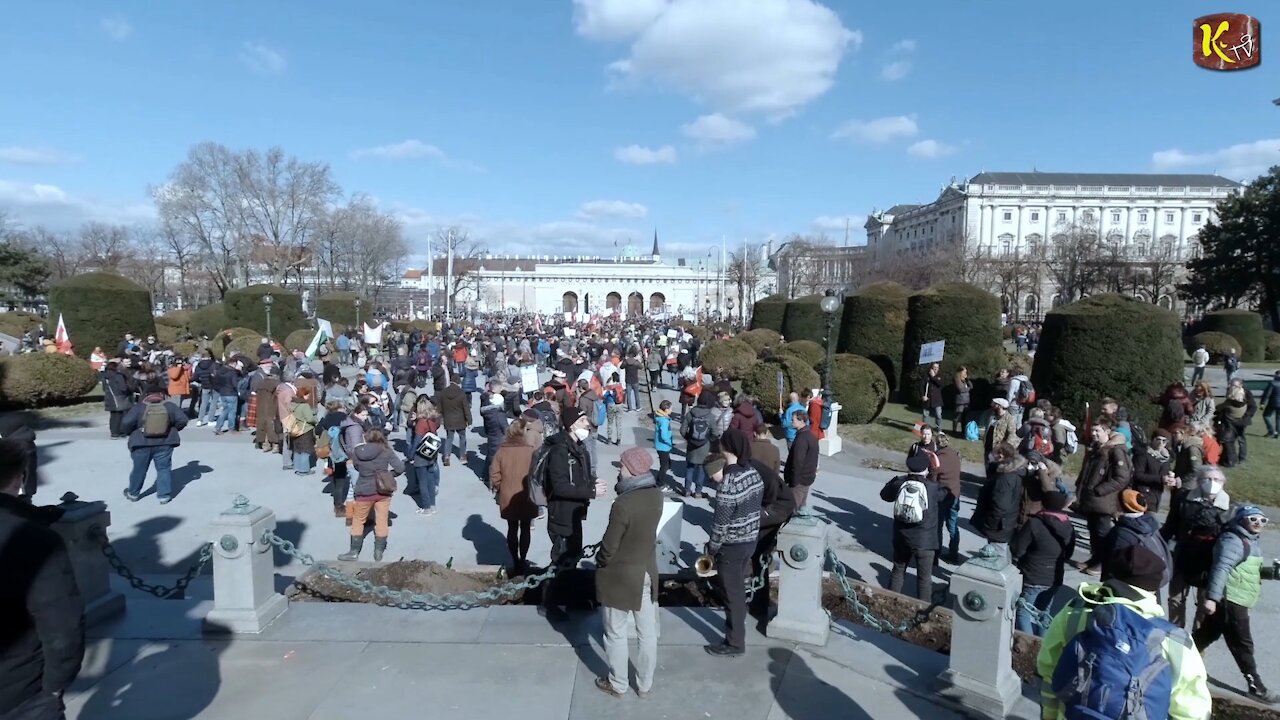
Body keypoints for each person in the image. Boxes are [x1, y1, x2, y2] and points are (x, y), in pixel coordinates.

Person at [1035, 545, 1211, 720]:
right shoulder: (1176, 640)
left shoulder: (1075, 611)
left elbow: (1048, 668)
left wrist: (1050, 715)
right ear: (1154, 587)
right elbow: (1192, 711)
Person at [0, 438, 85, 720]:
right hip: (21, 689)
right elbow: (62, 625)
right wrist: (54, 685)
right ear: (19, 477)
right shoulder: (35, 539)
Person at [594, 446, 663, 699]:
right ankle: (644, 685)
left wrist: (600, 560)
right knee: (647, 633)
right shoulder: (656, 495)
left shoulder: (623, 504)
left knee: (615, 632)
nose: (619, 472)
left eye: (622, 467)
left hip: (621, 578)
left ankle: (618, 683)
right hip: (646, 572)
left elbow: (609, 547)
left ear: (632, 470)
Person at [1195, 504, 1278, 703]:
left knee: (1205, 635)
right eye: (1253, 519)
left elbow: (1248, 571)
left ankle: (1170, 660)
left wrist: (1273, 573)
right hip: (1230, 600)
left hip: (1235, 598)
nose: (1258, 523)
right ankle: (1256, 686)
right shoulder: (1233, 541)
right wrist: (1213, 599)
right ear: (1241, 519)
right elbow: (1220, 569)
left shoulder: (1251, 540)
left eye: (1262, 520)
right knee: (1242, 644)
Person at [542, 407, 605, 621]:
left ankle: (572, 599)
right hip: (561, 513)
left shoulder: (577, 446)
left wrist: (591, 484)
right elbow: (559, 487)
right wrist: (591, 491)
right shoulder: (560, 450)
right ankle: (549, 603)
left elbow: (578, 477)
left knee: (573, 555)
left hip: (574, 512)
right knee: (561, 557)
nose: (587, 424)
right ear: (571, 425)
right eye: (583, 420)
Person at [705, 430, 764, 657]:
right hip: (750, 540)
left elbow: (720, 526)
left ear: (726, 448)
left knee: (732, 595)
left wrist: (712, 550)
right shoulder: (752, 473)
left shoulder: (729, 483)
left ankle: (734, 643)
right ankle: (737, 632)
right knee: (739, 591)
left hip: (732, 546)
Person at [880, 454, 945, 602]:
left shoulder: (899, 483)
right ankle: (922, 611)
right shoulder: (932, 487)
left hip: (902, 538)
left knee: (898, 570)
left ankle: (891, 602)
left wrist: (897, 480)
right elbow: (946, 495)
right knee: (924, 579)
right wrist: (934, 474)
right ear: (926, 468)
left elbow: (884, 495)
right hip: (925, 542)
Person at [1011, 490, 1075, 636]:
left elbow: (1018, 549)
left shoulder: (1034, 524)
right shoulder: (1069, 526)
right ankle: (1041, 645)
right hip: (1054, 578)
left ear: (1043, 504)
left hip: (1032, 574)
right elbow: (1068, 554)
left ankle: (1026, 645)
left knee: (1023, 612)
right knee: (1044, 613)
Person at [1074, 416, 1132, 575]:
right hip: (1091, 499)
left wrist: (1100, 490)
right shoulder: (1097, 448)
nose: (1093, 433)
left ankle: (1102, 563)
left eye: (1097, 430)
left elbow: (1122, 477)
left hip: (1104, 501)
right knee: (1093, 530)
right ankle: (1094, 558)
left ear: (1107, 431)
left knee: (1102, 533)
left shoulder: (1116, 450)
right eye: (1092, 430)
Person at [338, 429, 404, 562]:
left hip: (364, 490)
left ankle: (354, 552)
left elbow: (356, 467)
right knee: (381, 520)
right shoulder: (386, 451)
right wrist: (388, 475)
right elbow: (400, 468)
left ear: (366, 438)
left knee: (358, 520)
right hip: (383, 491)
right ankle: (378, 552)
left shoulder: (358, 452)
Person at [120, 381, 188, 504]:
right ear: (162, 394)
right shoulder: (169, 406)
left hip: (141, 443)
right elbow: (182, 420)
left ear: (146, 394)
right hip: (165, 442)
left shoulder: (139, 407)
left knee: (139, 469)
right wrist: (171, 428)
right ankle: (164, 496)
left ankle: (133, 493)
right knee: (163, 469)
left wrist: (132, 433)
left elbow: (126, 423)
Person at [489, 414, 543, 571]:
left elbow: (494, 474)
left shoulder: (501, 451)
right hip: (527, 495)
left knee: (512, 528)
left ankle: (514, 559)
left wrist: (501, 487)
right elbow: (537, 473)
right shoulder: (530, 451)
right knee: (526, 528)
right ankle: (523, 559)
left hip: (508, 494)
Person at [1100, 490, 1171, 594]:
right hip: (1151, 580)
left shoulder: (1121, 533)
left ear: (1121, 506)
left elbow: (1114, 563)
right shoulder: (1151, 524)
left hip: (1128, 588)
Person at [970, 442, 1024, 554]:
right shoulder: (1009, 473)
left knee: (997, 557)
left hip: (999, 526)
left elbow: (1000, 505)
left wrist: (989, 523)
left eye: (993, 452)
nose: (990, 455)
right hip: (1004, 524)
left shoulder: (1004, 478)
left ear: (1001, 455)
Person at [933, 433, 963, 564]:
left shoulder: (938, 458)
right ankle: (953, 553)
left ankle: (935, 554)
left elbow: (933, 477)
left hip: (942, 496)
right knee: (953, 525)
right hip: (955, 494)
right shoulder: (955, 455)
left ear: (937, 444)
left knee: (937, 526)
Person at [1131, 429, 1174, 513]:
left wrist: (1171, 479)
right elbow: (1137, 475)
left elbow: (1164, 473)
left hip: (1157, 495)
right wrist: (1161, 479)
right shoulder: (1143, 454)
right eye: (1158, 439)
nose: (1161, 443)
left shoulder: (1166, 457)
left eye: (1164, 441)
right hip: (1142, 494)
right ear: (1153, 439)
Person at [783, 408, 818, 509]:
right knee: (801, 505)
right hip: (807, 477)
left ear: (801, 421)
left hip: (799, 480)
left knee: (792, 507)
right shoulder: (810, 436)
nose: (791, 422)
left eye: (793, 420)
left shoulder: (801, 439)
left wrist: (794, 480)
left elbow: (797, 461)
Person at [681, 393, 714, 498]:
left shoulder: (690, 414)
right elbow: (716, 432)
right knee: (701, 470)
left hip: (692, 445)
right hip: (704, 445)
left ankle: (687, 490)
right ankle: (698, 492)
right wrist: (709, 440)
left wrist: (688, 438)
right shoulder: (710, 416)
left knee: (689, 468)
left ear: (697, 401)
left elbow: (682, 430)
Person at [437, 376, 469, 467]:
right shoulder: (461, 393)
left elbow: (440, 407)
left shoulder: (444, 392)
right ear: (458, 382)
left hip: (448, 419)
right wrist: (469, 420)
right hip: (460, 419)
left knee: (449, 438)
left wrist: (441, 417)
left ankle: (446, 456)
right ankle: (463, 456)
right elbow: (465, 408)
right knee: (462, 437)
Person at [287, 386, 317, 476]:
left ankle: (297, 466)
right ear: (303, 395)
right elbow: (310, 418)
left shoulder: (292, 404)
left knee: (297, 450)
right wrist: (315, 420)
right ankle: (304, 470)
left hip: (294, 429)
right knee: (305, 450)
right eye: (307, 395)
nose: (308, 396)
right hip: (305, 430)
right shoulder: (304, 406)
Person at [480, 391, 508, 482]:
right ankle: (494, 480)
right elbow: (505, 428)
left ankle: (485, 475)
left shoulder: (488, 412)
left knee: (490, 457)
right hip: (499, 439)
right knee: (496, 461)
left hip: (492, 437)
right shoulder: (499, 415)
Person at [102, 360, 135, 439]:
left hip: (109, 397)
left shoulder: (104, 376)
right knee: (119, 415)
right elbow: (123, 387)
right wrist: (128, 390)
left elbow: (104, 388)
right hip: (119, 397)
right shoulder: (118, 376)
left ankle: (113, 432)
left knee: (113, 415)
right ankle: (119, 432)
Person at [653, 399, 674, 489]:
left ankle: (660, 479)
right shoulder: (664, 420)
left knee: (667, 464)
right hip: (663, 446)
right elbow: (664, 434)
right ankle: (660, 483)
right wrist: (669, 443)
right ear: (666, 409)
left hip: (660, 445)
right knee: (664, 466)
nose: (671, 410)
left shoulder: (660, 418)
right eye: (670, 408)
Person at [920, 362, 943, 429]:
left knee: (938, 415)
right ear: (931, 368)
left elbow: (940, 384)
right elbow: (921, 386)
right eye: (934, 367)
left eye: (937, 368)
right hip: (927, 398)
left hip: (937, 399)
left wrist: (933, 377)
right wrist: (922, 396)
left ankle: (939, 429)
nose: (935, 369)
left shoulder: (940, 375)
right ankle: (925, 428)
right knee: (925, 415)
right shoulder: (926, 376)